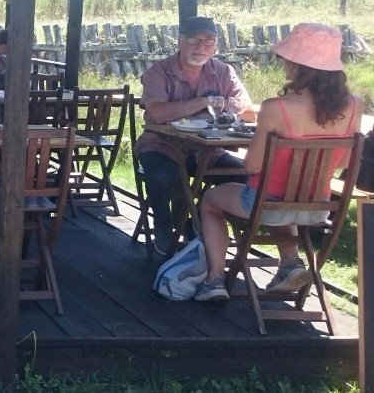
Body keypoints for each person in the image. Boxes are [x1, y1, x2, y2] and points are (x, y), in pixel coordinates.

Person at [194, 24, 363, 302]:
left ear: (299, 66)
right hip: (318, 207)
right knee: (280, 201)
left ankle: (214, 280)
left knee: (211, 200)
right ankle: (290, 265)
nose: (283, 62)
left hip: (268, 204)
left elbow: (252, 167)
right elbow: (344, 161)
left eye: (286, 58)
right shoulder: (355, 105)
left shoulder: (276, 107)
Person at [137, 16, 254, 256]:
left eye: (208, 41)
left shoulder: (223, 71)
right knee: (161, 175)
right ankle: (163, 227)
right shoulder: (158, 72)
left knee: (244, 176)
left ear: (216, 46)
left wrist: (197, 109)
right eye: (194, 40)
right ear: (180, 41)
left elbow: (247, 109)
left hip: (208, 150)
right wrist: (205, 102)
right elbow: (158, 113)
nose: (201, 47)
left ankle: (194, 221)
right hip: (162, 145)